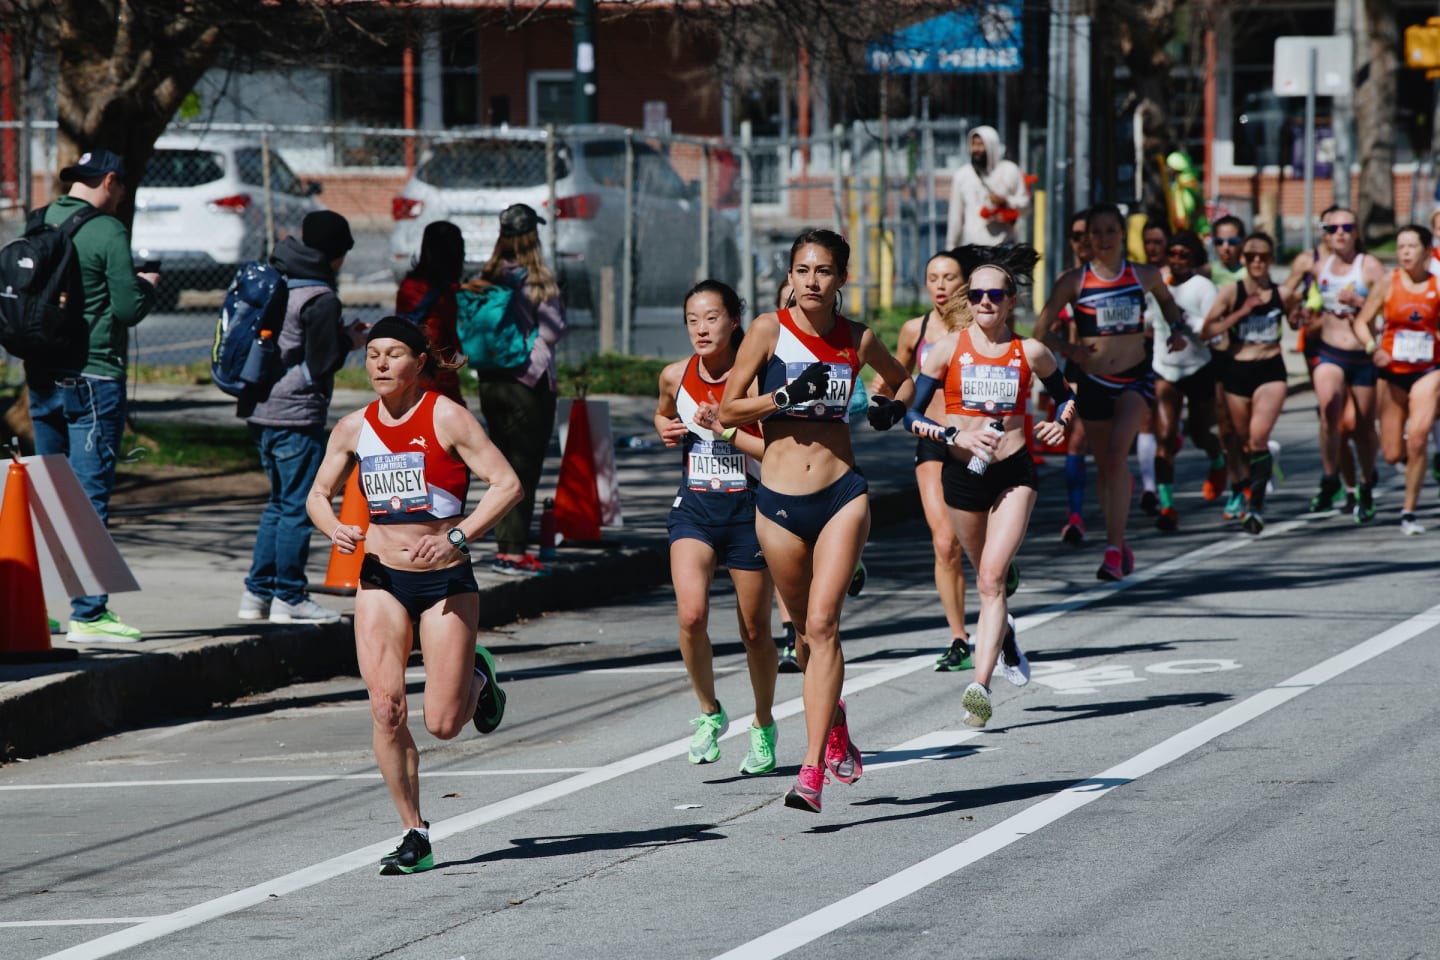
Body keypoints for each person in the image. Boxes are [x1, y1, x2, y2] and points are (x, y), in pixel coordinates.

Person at [306, 317, 522, 875]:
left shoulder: (446, 416)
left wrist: (458, 537)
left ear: (419, 362)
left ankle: (478, 676)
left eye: (394, 353)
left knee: (444, 723)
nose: (380, 363)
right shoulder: (353, 427)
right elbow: (318, 495)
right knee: (386, 708)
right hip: (382, 577)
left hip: (445, 579)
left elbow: (507, 484)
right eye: (372, 353)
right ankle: (414, 832)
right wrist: (335, 528)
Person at [719, 228, 914, 814]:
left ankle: (809, 773)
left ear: (841, 279)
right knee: (804, 632)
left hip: (841, 495)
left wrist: (892, 405)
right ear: (790, 276)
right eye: (802, 270)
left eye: (823, 270)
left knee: (825, 624)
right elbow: (728, 409)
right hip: (779, 502)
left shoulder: (858, 337)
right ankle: (833, 720)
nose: (812, 281)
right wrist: (782, 397)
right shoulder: (768, 330)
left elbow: (903, 378)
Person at [903, 251, 1073, 729]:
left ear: (1011, 301)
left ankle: (979, 688)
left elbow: (1065, 396)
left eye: (995, 294)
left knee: (991, 580)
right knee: (983, 572)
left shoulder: (1031, 352)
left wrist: (1060, 423)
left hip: (1014, 472)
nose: (984, 302)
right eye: (976, 294)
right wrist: (952, 435)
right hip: (962, 474)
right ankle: (1005, 633)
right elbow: (911, 416)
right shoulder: (946, 350)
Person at [24, 148, 158, 641]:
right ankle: (89, 613)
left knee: (46, 496)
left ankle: (29, 609)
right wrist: (147, 285)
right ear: (109, 181)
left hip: (41, 376)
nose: (121, 196)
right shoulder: (108, 230)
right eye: (121, 187)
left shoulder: (39, 220)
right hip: (93, 378)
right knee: (87, 497)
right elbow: (126, 308)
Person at [654, 280, 778, 773]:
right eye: (693, 320)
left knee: (755, 631)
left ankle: (763, 725)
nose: (701, 329)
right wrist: (663, 426)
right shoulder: (675, 375)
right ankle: (710, 712)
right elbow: (663, 413)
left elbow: (777, 453)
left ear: (734, 320)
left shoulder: (757, 380)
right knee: (691, 616)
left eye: (712, 318)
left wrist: (724, 429)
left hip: (749, 511)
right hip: (695, 510)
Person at [1034, 203, 1188, 580]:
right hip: (1093, 382)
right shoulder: (1074, 281)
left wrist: (1176, 330)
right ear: (1087, 239)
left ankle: (1114, 549)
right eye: (1096, 232)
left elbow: (1168, 303)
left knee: (1117, 458)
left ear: (1122, 234)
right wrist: (1068, 349)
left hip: (1135, 378)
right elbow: (1040, 331)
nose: (1103, 239)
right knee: (1105, 467)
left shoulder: (1144, 275)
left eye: (1110, 231)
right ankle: (1118, 539)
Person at [238, 209, 366, 625]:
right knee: (298, 506)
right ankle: (289, 596)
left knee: (278, 504)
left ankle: (257, 593)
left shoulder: (282, 276)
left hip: (261, 406)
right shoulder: (320, 296)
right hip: (295, 413)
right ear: (335, 253)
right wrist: (350, 340)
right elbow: (323, 359)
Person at [872, 251, 973, 670]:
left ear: (964, 282)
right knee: (945, 542)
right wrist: (879, 398)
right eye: (933, 277)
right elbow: (894, 377)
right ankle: (959, 638)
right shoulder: (916, 330)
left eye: (949, 277)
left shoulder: (980, 327)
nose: (941, 286)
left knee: (981, 543)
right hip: (932, 439)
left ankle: (1000, 565)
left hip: (977, 444)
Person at [475, 203, 567, 576]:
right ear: (533, 235)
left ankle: (506, 544)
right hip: (529, 383)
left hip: (490, 380)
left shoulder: (487, 276)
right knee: (523, 469)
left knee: (500, 465)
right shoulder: (537, 280)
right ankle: (511, 553)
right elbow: (553, 330)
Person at [1283, 206, 1385, 521]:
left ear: (1356, 233)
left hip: (1362, 354)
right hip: (1330, 351)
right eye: (1333, 228)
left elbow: (1389, 307)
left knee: (1363, 427)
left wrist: (1361, 303)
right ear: (1324, 234)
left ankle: (1366, 483)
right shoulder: (1316, 265)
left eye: (1346, 228)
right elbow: (1287, 293)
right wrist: (1294, 313)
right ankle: (1330, 479)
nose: (1340, 233)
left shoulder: (1369, 266)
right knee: (1329, 411)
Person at [1352, 225, 1440, 535]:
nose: (1404, 252)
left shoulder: (1437, 285)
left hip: (1429, 370)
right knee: (1392, 453)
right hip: (1391, 371)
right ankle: (1410, 460)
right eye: (1401, 246)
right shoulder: (1388, 282)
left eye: (1411, 247)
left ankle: (1409, 511)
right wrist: (1372, 348)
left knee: (1417, 438)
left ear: (1427, 251)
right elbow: (1362, 322)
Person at [1201, 232, 1291, 535]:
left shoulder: (1282, 293)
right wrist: (1241, 312)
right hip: (1237, 370)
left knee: (1257, 437)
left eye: (1262, 257)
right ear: (1244, 259)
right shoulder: (1231, 292)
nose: (1256, 262)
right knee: (1243, 442)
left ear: (1271, 260)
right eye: (1251, 257)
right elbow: (1206, 331)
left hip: (1270, 369)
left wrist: (1303, 314)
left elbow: (1296, 320)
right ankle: (1263, 466)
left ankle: (1255, 508)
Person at [1147, 230, 1221, 531]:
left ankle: (1217, 459)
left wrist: (1186, 321)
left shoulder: (1202, 287)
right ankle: (1167, 507)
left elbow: (1214, 333)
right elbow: (1147, 321)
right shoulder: (1157, 283)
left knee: (1200, 435)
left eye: (1184, 255)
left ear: (1194, 258)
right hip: (1165, 369)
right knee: (1164, 437)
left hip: (1198, 367)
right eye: (1172, 253)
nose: (1177, 260)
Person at [396, 220, 467, 406]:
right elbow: (459, 341)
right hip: (439, 376)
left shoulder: (408, 286)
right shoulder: (449, 294)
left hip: (407, 373)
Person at [1204, 215, 1248, 507]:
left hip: (1249, 356)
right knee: (1227, 428)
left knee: (1248, 430)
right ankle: (1237, 484)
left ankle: (1256, 471)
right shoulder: (1208, 274)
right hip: (1219, 356)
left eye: (1232, 241)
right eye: (1219, 241)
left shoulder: (1250, 272)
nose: (1226, 248)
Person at [1056, 209, 1094, 545]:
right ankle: (1076, 515)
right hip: (1078, 369)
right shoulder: (1067, 280)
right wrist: (1067, 347)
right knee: (1077, 440)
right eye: (1076, 237)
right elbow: (1046, 329)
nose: (1082, 243)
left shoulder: (1118, 277)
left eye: (1087, 235)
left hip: (1116, 368)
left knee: (1110, 447)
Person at [1134, 220, 1171, 515]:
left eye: (1158, 242)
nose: (1153, 247)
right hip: (1142, 353)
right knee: (1147, 419)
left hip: (1172, 356)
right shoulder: (1136, 275)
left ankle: (1162, 483)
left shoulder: (1174, 274)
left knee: (1166, 426)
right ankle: (1149, 488)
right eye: (1148, 242)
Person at [946, 125, 1029, 247]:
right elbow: (955, 216)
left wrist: (1006, 202)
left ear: (991, 146)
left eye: (980, 144)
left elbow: (1026, 206)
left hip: (1005, 246)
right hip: (973, 247)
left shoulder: (1010, 170)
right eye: (973, 144)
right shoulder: (962, 175)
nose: (976, 149)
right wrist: (951, 246)